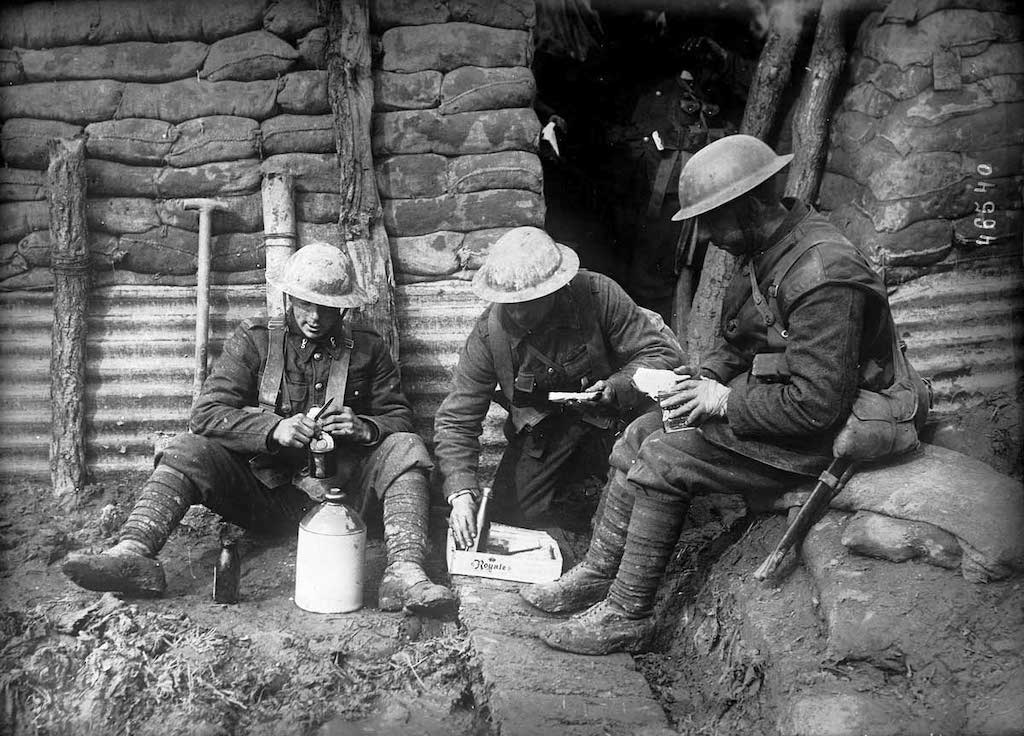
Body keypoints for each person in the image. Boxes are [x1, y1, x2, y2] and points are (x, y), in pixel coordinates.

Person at [521, 135, 900, 654]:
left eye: (712, 220)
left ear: (749, 206)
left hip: (830, 430)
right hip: (776, 406)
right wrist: (697, 378)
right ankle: (598, 573)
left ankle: (628, 615)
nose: (708, 236)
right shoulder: (766, 250)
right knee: (639, 434)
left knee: (664, 457)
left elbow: (818, 405)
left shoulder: (822, 275)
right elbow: (739, 341)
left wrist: (721, 402)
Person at [63, 243, 455, 614]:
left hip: (345, 503)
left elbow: (402, 420)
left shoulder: (369, 349)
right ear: (289, 298)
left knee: (406, 447)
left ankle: (404, 575)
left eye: (326, 308)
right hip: (266, 497)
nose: (314, 317)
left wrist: (364, 427)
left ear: (344, 311)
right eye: (305, 304)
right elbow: (207, 414)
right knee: (187, 448)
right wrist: (273, 430)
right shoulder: (255, 341)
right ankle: (133, 554)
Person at [434, 226, 683, 548]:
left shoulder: (597, 295)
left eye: (530, 301)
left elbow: (659, 353)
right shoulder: (487, 337)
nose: (520, 312)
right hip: (548, 432)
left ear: (556, 287)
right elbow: (457, 420)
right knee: (511, 517)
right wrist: (461, 493)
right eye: (511, 303)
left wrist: (617, 386)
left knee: (644, 494)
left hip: (618, 419)